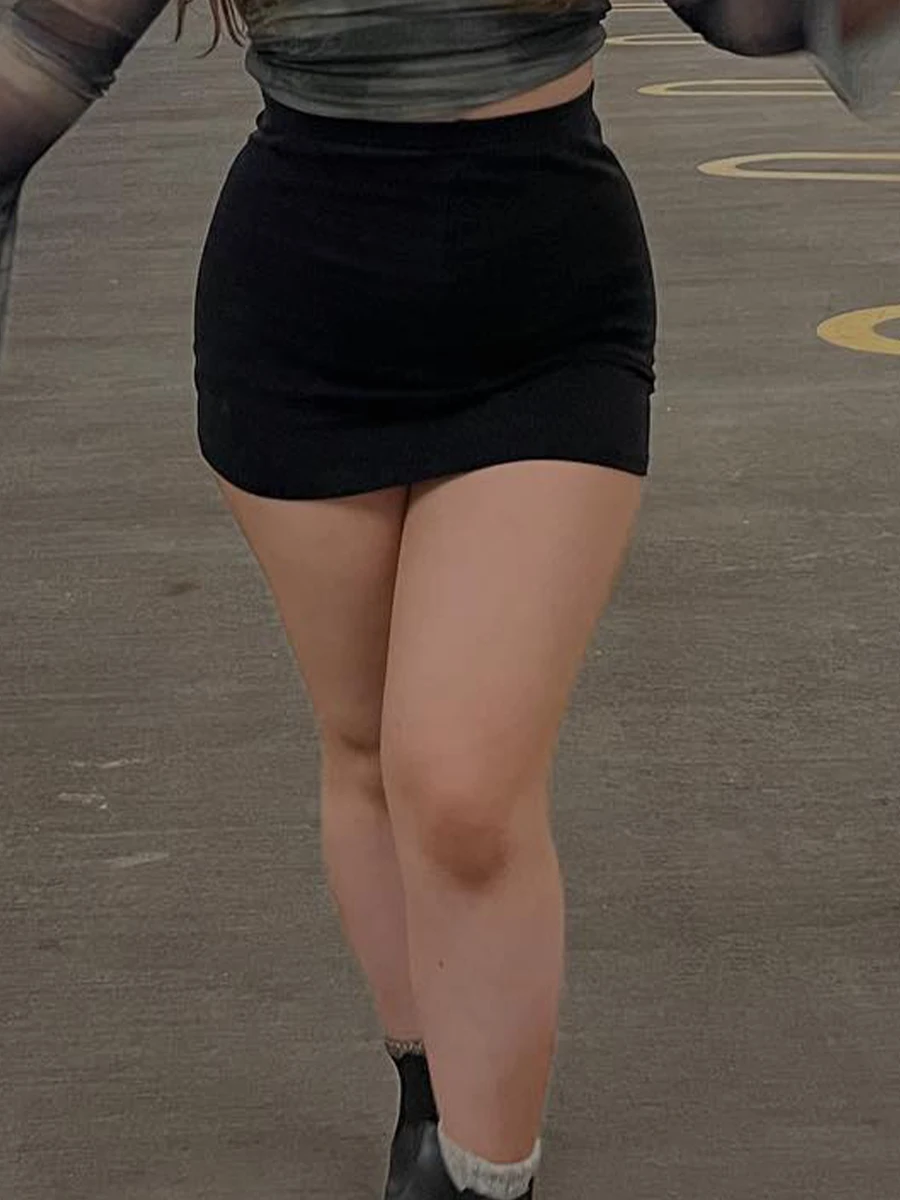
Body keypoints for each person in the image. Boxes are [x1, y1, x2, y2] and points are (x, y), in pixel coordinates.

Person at [1, 2, 898, 1197]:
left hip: (550, 322)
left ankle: (482, 1172)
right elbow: (40, 55)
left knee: (463, 788)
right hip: (297, 326)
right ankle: (431, 1096)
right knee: (366, 747)